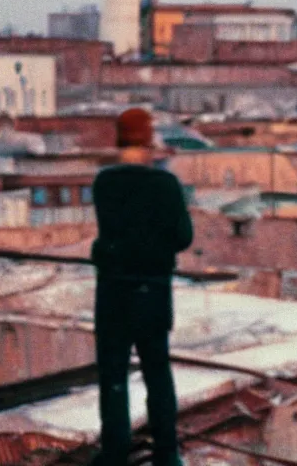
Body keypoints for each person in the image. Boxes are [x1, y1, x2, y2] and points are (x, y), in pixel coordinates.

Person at [89, 108, 193, 466]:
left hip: (113, 293)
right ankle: (167, 454)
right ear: (149, 142)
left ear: (119, 141)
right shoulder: (165, 185)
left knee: (113, 378)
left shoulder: (104, 183)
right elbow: (183, 237)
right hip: (152, 292)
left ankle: (115, 453)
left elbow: (109, 237)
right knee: (158, 374)